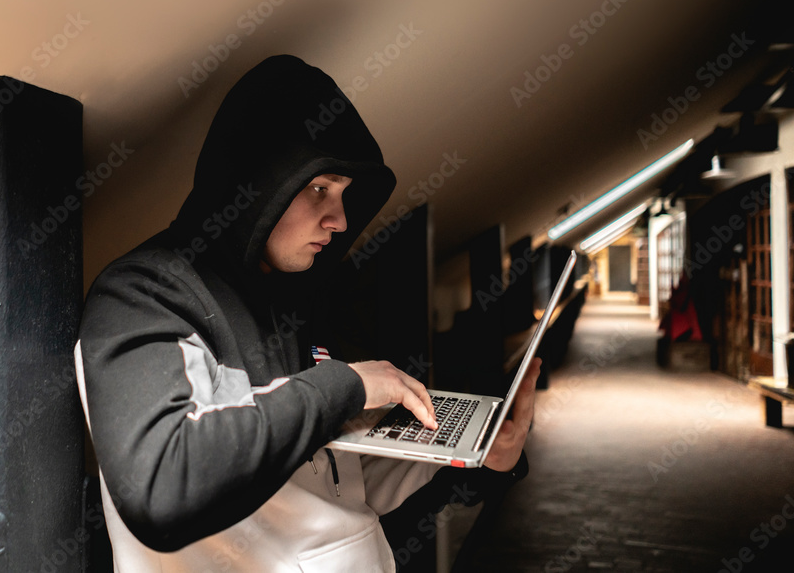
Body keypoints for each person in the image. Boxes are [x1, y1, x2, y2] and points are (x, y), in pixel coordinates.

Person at [74, 54, 539, 571]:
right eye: (319, 188)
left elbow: (332, 483)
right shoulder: (144, 294)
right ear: (255, 181)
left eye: (342, 195)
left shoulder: (292, 297)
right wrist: (347, 387)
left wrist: (471, 462)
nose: (339, 220)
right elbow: (159, 486)